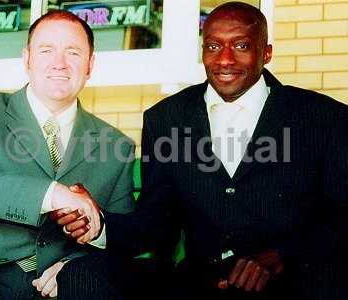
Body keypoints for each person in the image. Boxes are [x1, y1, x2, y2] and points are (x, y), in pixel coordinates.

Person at [53, 2, 348, 299]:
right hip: (198, 283)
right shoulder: (167, 118)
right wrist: (99, 222)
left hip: (291, 282)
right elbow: (155, 224)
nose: (225, 59)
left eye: (242, 45)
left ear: (266, 53)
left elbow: (340, 218)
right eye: (213, 46)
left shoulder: (323, 119)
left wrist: (280, 255)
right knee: (83, 275)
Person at [0, 10, 135, 300]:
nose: (59, 63)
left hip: (66, 285)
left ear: (90, 65)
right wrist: (52, 194)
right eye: (46, 50)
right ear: (27, 59)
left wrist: (82, 255)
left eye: (73, 52)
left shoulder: (117, 145)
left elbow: (124, 239)